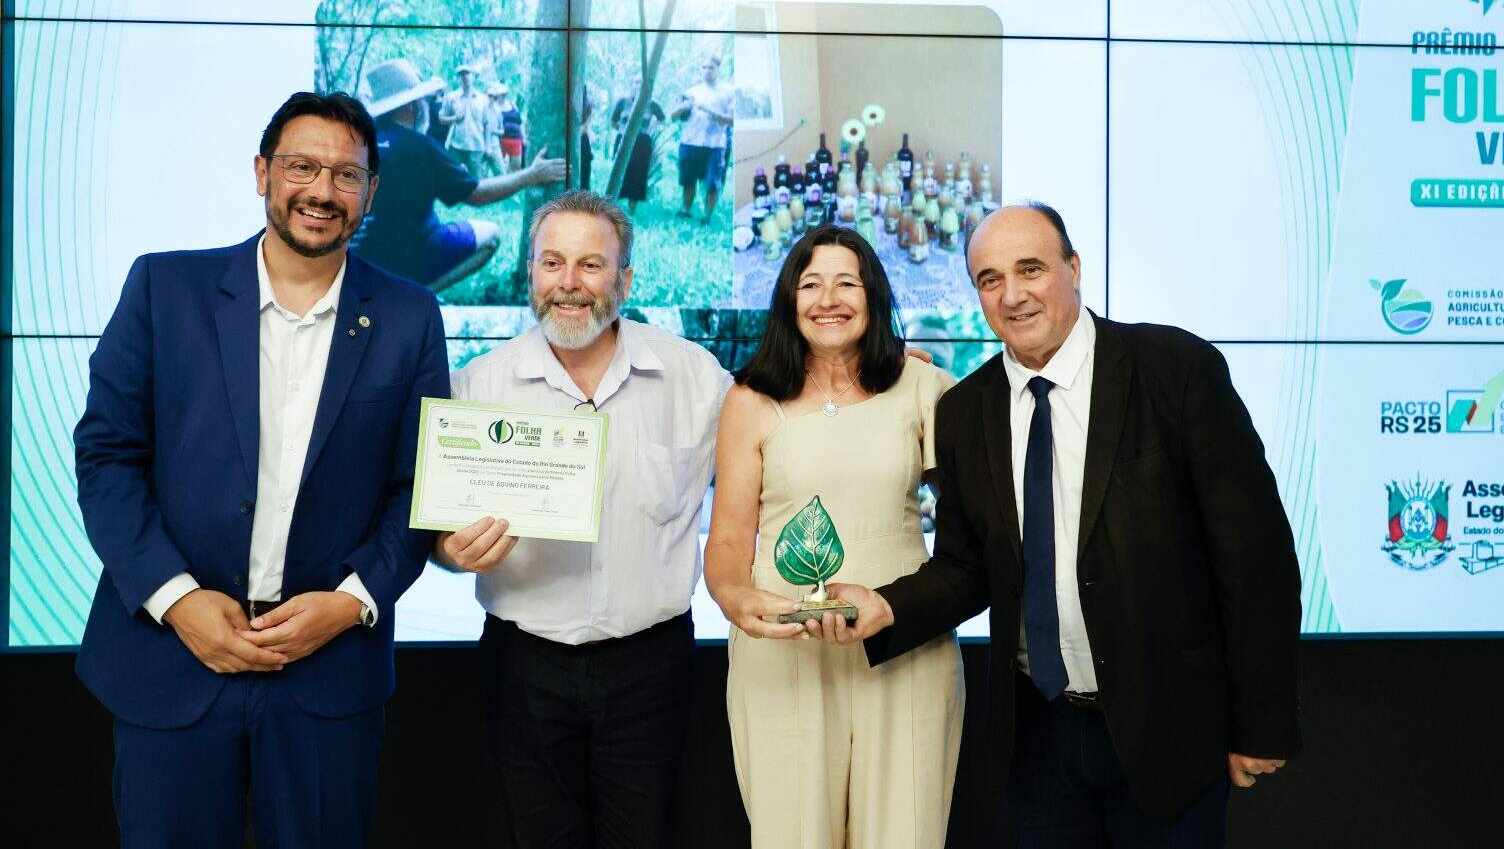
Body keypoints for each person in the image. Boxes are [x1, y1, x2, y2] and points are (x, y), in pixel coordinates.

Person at [829, 203, 1302, 846]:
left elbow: (1255, 557)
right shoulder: (965, 411)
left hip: (1168, 729)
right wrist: (886, 607)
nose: (1013, 295)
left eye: (1031, 269)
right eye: (990, 279)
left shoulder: (1175, 369)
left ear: (1074, 268)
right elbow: (968, 565)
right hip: (1036, 739)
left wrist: (1261, 723)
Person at [73, 91, 451, 848]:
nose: (322, 191)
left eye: (346, 175)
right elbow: (108, 458)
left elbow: (419, 487)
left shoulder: (410, 316)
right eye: (301, 167)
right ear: (261, 173)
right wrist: (178, 601)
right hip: (171, 661)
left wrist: (350, 603)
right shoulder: (163, 289)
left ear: (371, 190)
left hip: (327, 674)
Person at [435, 190, 734, 849]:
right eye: (552, 263)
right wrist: (450, 550)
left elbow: (779, 433)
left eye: (590, 265)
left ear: (624, 280)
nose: (568, 282)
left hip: (651, 665)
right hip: (523, 667)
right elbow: (435, 534)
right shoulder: (477, 386)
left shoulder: (695, 378)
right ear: (531, 273)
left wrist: (866, 371)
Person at [705, 224, 965, 847]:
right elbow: (729, 539)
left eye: (847, 282)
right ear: (788, 300)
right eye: (811, 284)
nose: (829, 299)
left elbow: (975, 533)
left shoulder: (924, 386)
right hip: (783, 650)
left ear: (873, 295)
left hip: (905, 647)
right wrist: (737, 600)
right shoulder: (750, 398)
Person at [350, 58, 565, 291]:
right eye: (423, 100)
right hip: (413, 256)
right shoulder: (420, 147)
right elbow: (477, 195)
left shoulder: (355, 144)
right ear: (412, 106)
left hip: (359, 261)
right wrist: (532, 175)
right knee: (491, 235)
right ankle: (420, 297)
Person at [668, 53, 734, 223]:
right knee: (688, 180)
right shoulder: (691, 92)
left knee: (712, 183)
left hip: (715, 145)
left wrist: (709, 110)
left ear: (718, 69)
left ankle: (707, 216)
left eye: (711, 67)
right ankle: (685, 210)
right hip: (690, 142)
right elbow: (673, 116)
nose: (707, 70)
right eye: (704, 67)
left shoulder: (728, 92)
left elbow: (732, 120)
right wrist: (682, 107)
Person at [610, 76, 664, 215]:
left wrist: (650, 129)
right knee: (619, 171)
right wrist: (622, 131)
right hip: (622, 140)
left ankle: (631, 209)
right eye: (636, 82)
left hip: (642, 142)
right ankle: (613, 206)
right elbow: (613, 121)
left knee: (638, 174)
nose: (639, 85)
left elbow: (661, 118)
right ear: (631, 84)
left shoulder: (651, 103)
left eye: (642, 83)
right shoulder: (622, 102)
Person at [440, 62, 498, 177]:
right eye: (461, 74)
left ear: (473, 76)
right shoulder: (451, 97)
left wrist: (488, 147)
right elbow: (441, 119)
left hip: (477, 147)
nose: (464, 76)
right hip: (456, 146)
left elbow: (487, 125)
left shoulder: (483, 99)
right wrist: (454, 118)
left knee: (476, 180)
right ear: (458, 78)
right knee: (454, 177)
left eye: (467, 73)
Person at [491, 82, 526, 174]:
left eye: (504, 94)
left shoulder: (512, 104)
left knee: (516, 166)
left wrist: (524, 136)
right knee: (502, 167)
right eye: (501, 94)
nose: (503, 96)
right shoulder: (494, 107)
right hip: (502, 140)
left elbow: (520, 121)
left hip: (516, 139)